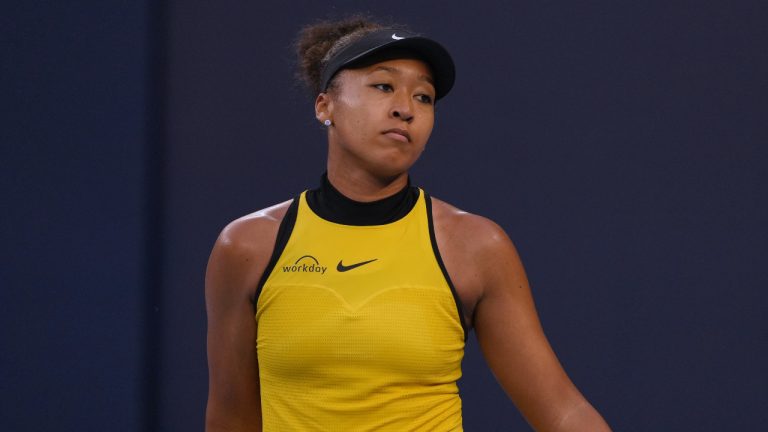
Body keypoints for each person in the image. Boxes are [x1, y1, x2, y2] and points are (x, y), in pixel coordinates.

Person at [205, 16, 611, 432]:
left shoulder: (474, 246)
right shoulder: (247, 247)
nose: (406, 109)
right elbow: (230, 417)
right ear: (325, 105)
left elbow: (563, 411)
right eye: (384, 86)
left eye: (424, 97)